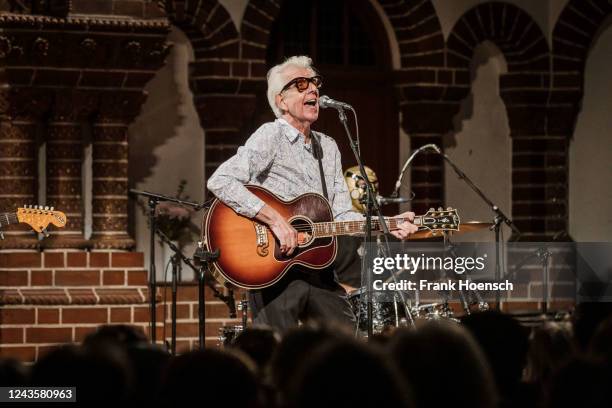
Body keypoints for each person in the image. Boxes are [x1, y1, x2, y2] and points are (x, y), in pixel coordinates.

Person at [207, 55, 418, 331]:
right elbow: (220, 180)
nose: (313, 90)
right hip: (273, 266)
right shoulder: (271, 135)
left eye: (315, 83)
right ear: (281, 101)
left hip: (319, 267)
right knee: (278, 354)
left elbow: (342, 214)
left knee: (346, 345)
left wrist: (388, 225)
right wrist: (275, 220)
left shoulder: (328, 147)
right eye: (301, 84)